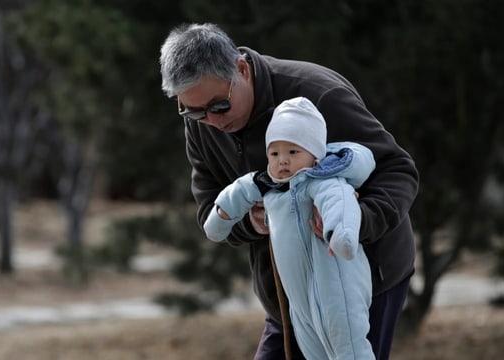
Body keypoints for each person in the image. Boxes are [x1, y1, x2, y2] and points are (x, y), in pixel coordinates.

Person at [159, 23, 418, 360]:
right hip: (285, 292)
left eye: (219, 106)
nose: (212, 121)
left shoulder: (318, 93)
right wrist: (250, 220)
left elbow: (398, 170)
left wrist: (356, 219)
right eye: (194, 111)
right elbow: (211, 208)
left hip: (362, 281)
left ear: (241, 69)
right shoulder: (201, 124)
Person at [203, 96, 376, 359]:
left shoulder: (324, 181)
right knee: (311, 350)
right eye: (275, 153)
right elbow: (238, 192)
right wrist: (221, 217)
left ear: (315, 156)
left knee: (349, 348)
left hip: (338, 288)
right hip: (299, 299)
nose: (282, 161)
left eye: (293, 152)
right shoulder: (268, 187)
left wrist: (341, 234)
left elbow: (340, 205)